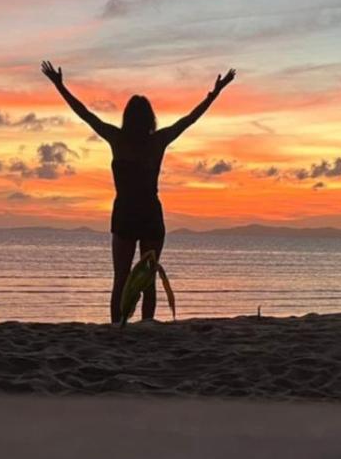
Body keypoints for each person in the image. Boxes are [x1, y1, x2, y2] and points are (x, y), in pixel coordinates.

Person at [41, 61, 236, 323]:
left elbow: (85, 114)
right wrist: (215, 93)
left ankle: (118, 327)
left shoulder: (117, 138)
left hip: (126, 214)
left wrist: (60, 86)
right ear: (150, 119)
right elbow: (190, 119)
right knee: (147, 280)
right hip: (149, 215)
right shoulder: (157, 141)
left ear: (127, 117)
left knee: (121, 279)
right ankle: (145, 327)